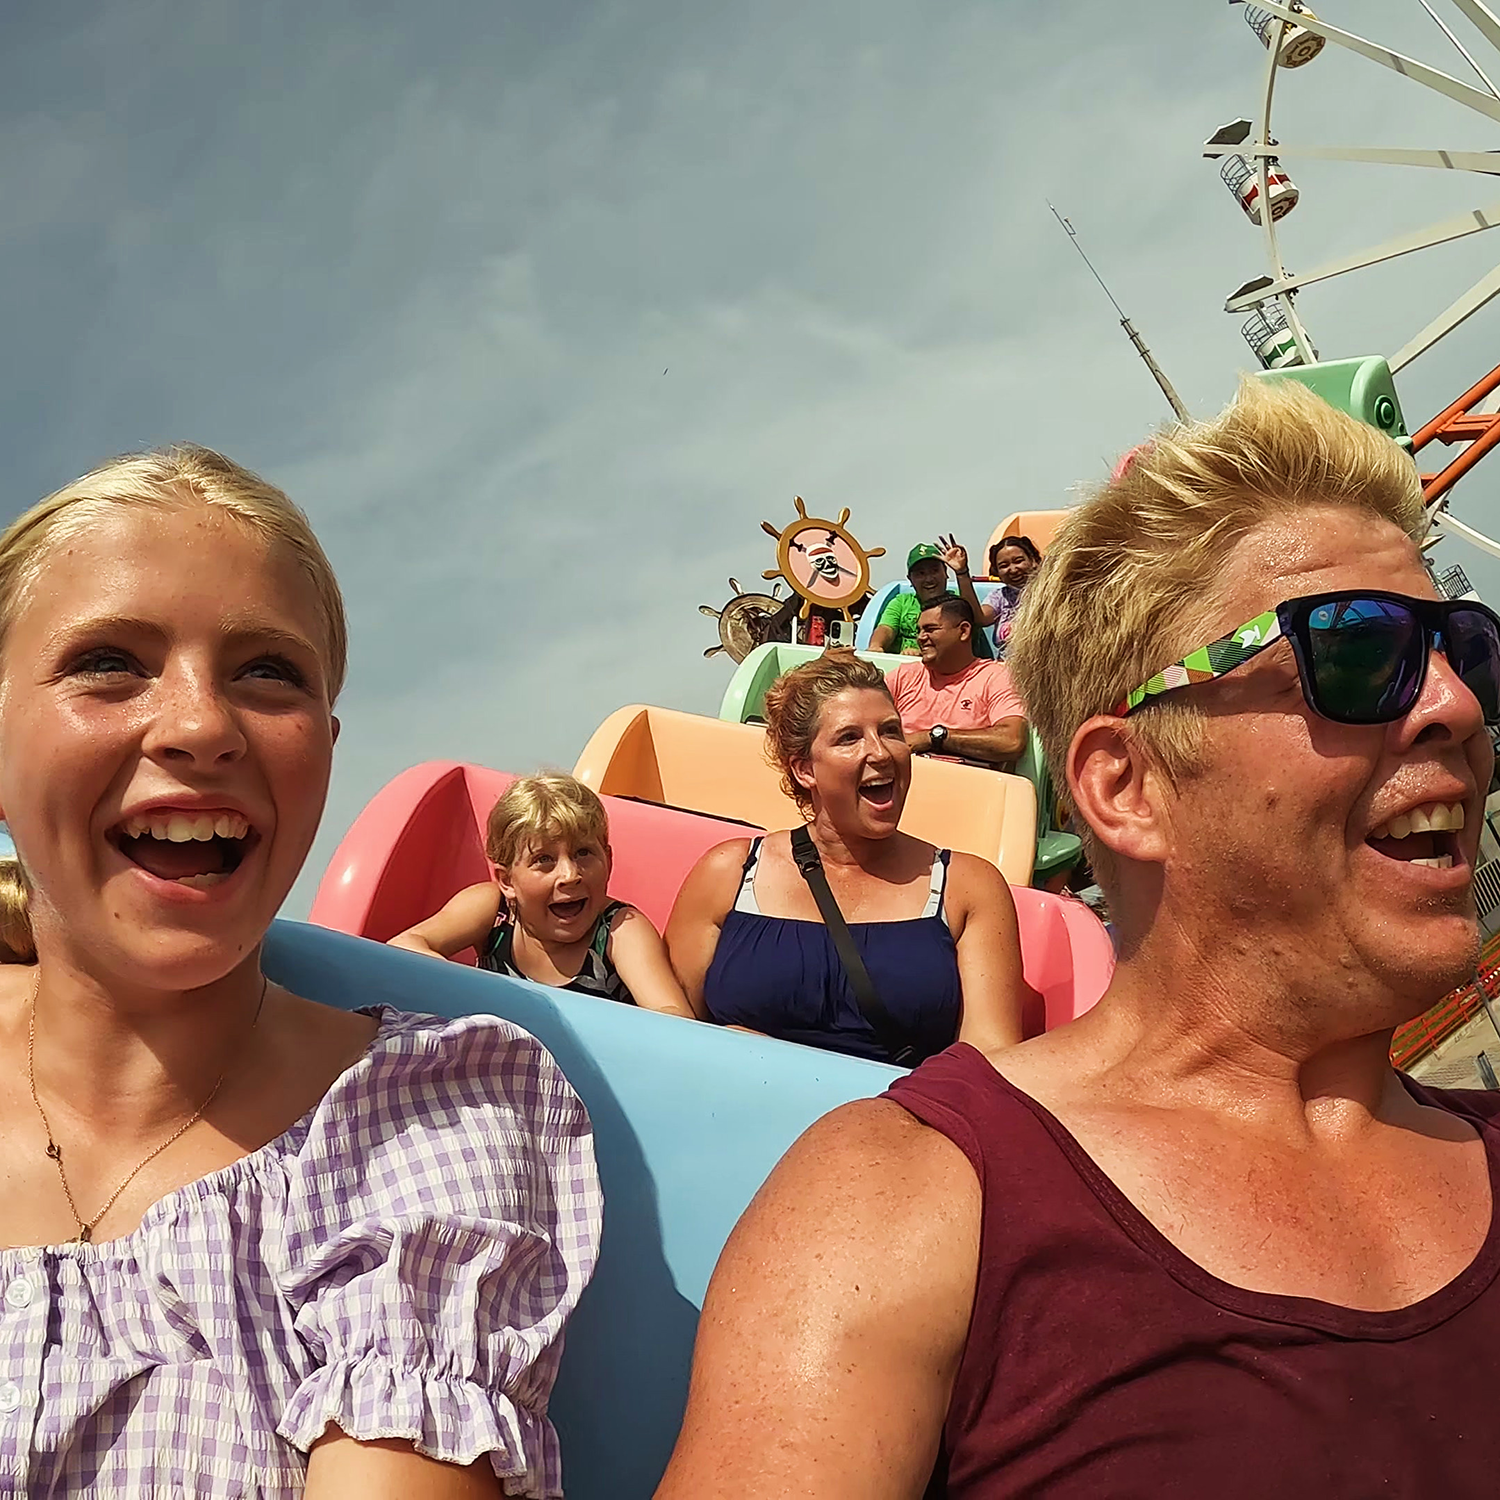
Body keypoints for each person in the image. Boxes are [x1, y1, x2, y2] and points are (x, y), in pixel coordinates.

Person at [654, 378, 1500, 1498]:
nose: (1457, 703)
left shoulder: (964, 894)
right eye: (1353, 652)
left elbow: (989, 1039)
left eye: (1467, 647)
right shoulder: (903, 1214)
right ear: (1126, 784)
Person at [0, 447, 600, 1497]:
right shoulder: (482, 912)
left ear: (323, 749)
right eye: (110, 661)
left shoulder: (425, 1116)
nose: (199, 725)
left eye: (266, 672)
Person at [665, 650, 1032, 1063]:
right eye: (849, 738)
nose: (881, 752)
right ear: (804, 770)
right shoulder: (728, 874)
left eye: (891, 731)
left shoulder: (968, 886)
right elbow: (669, 1030)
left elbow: (991, 1057)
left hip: (899, 1120)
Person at [390, 772, 695, 1018]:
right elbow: (404, 946)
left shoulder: (617, 929)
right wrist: (492, 1000)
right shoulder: (495, 912)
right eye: (544, 860)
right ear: (507, 880)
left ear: (608, 861)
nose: (570, 874)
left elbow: (674, 1018)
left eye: (584, 853)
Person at [889, 596, 1027, 768]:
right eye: (919, 630)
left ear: (964, 631)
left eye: (930, 629)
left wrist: (933, 738)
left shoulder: (995, 677)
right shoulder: (904, 676)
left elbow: (1012, 741)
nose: (920, 638)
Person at [868, 542, 969, 656]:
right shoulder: (901, 602)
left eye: (934, 571)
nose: (929, 579)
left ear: (945, 573)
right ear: (910, 579)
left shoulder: (956, 603)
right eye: (921, 573)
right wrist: (876, 646)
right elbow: (886, 628)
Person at [977, 533, 1041, 658]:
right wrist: (962, 573)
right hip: (1006, 672)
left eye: (1018, 561)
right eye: (1004, 566)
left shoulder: (1052, 595)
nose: (1012, 569)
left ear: (1034, 561)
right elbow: (981, 618)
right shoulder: (999, 597)